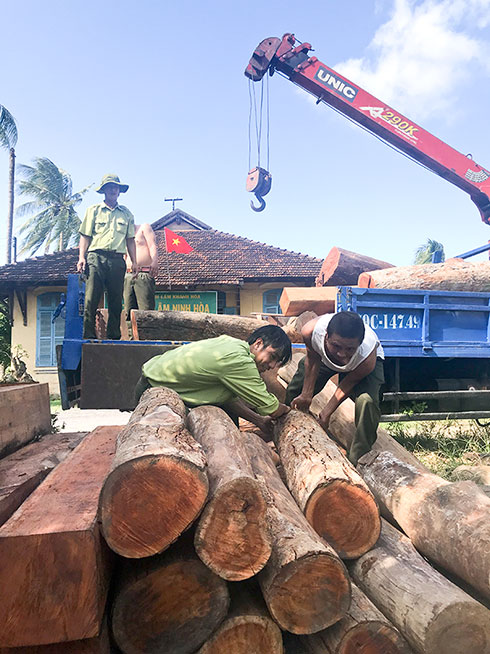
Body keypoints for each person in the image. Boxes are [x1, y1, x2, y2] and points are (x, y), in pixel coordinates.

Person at [134, 325, 292, 432]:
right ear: (258, 344)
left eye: (276, 363)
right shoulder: (240, 361)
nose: (272, 365)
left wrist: (257, 420)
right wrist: (288, 411)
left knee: (228, 418)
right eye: (272, 356)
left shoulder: (232, 344)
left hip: (150, 381)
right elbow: (270, 407)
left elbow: (226, 399)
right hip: (154, 396)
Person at [285, 311, 385, 465]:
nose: (342, 354)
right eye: (336, 345)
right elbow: (312, 361)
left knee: (367, 402)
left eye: (350, 349)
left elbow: (349, 382)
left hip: (358, 365)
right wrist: (306, 394)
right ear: (326, 336)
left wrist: (326, 413)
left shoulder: (367, 357)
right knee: (296, 390)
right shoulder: (310, 331)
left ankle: (358, 459)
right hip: (326, 360)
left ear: (359, 344)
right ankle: (286, 431)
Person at [77, 174, 138, 340]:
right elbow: (85, 236)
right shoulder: (93, 211)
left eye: (116, 187)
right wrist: (81, 257)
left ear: (119, 191)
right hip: (96, 256)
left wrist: (134, 261)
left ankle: (113, 335)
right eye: (110, 187)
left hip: (117, 259)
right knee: (91, 297)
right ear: (104, 190)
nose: (113, 190)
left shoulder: (126, 214)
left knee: (116, 299)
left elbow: (130, 240)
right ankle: (88, 334)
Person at [123, 223, 158, 338]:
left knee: (145, 311)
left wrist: (154, 262)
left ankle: (147, 339)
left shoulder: (144, 228)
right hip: (128, 274)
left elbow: (152, 245)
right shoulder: (123, 234)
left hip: (143, 273)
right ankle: (131, 338)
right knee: (128, 310)